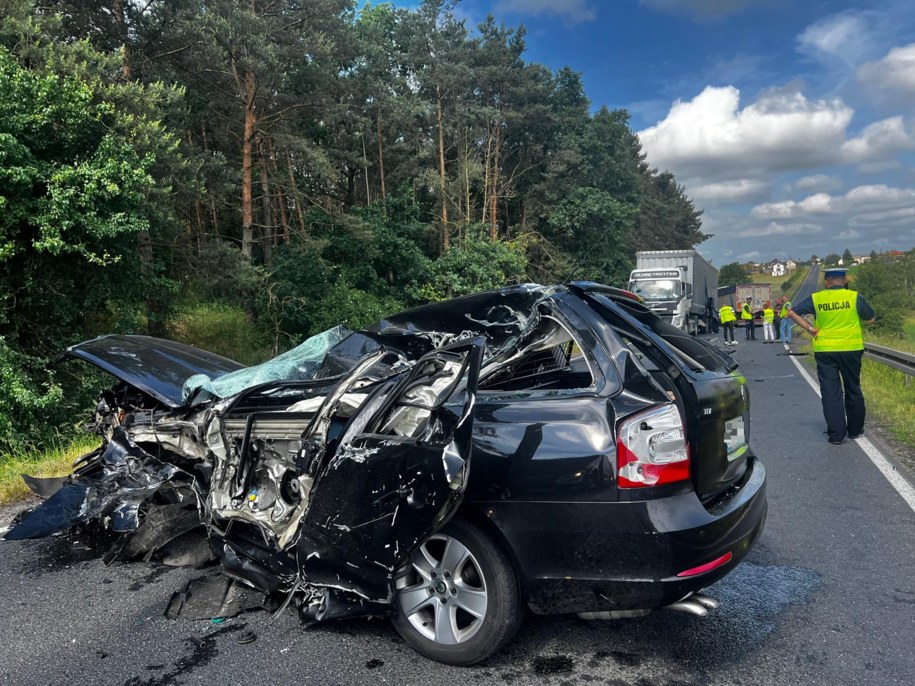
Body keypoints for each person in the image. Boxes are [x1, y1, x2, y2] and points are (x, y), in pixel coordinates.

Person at [786, 268, 876, 445]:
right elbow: (870, 318)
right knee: (853, 388)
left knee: (831, 392)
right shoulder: (854, 297)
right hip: (851, 349)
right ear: (844, 280)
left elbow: (791, 313)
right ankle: (855, 430)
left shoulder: (816, 298)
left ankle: (836, 434)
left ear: (826, 282)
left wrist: (810, 329)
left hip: (825, 350)